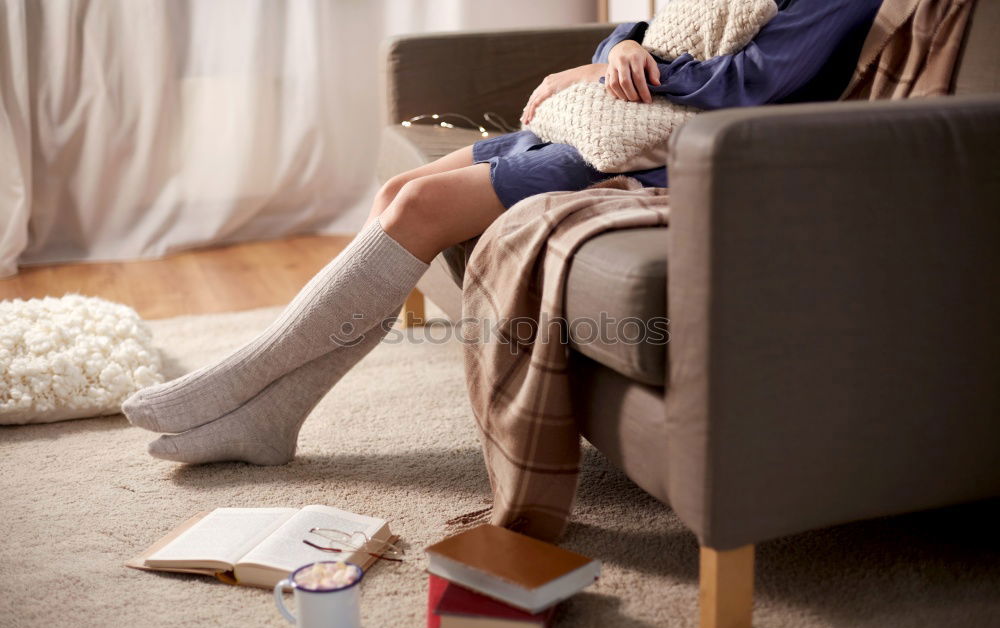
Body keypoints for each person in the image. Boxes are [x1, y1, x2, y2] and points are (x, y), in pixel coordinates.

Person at [122, 0, 884, 464]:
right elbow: (649, 30)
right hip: (621, 122)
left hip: (670, 152)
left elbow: (754, 86)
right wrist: (618, 49)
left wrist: (599, 75)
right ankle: (269, 416)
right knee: (401, 188)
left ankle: (246, 383)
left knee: (420, 212)